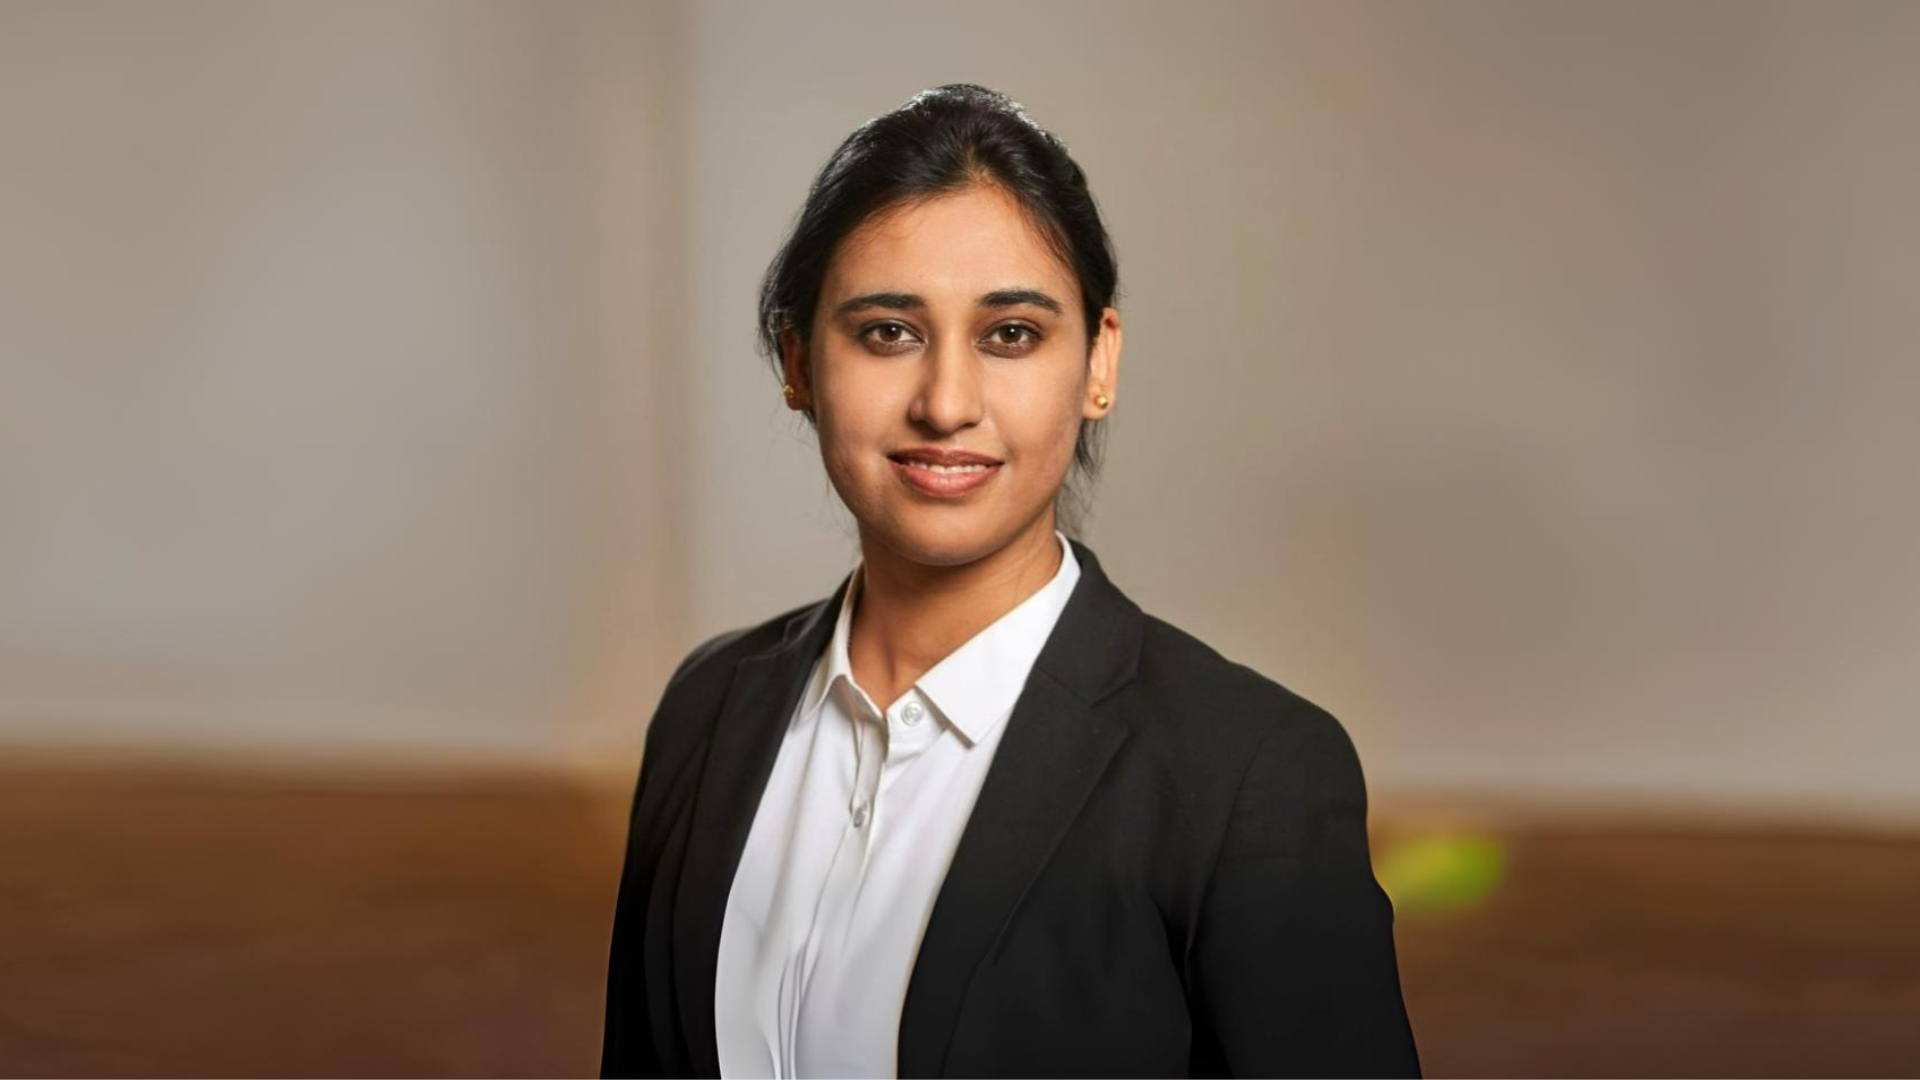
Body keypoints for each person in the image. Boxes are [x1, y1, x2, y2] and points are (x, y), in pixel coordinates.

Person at [600, 83, 1420, 1079]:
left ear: (1097, 364)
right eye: (887, 332)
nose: (947, 404)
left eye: (1012, 335)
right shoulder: (707, 710)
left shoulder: (1248, 778)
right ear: (798, 360)